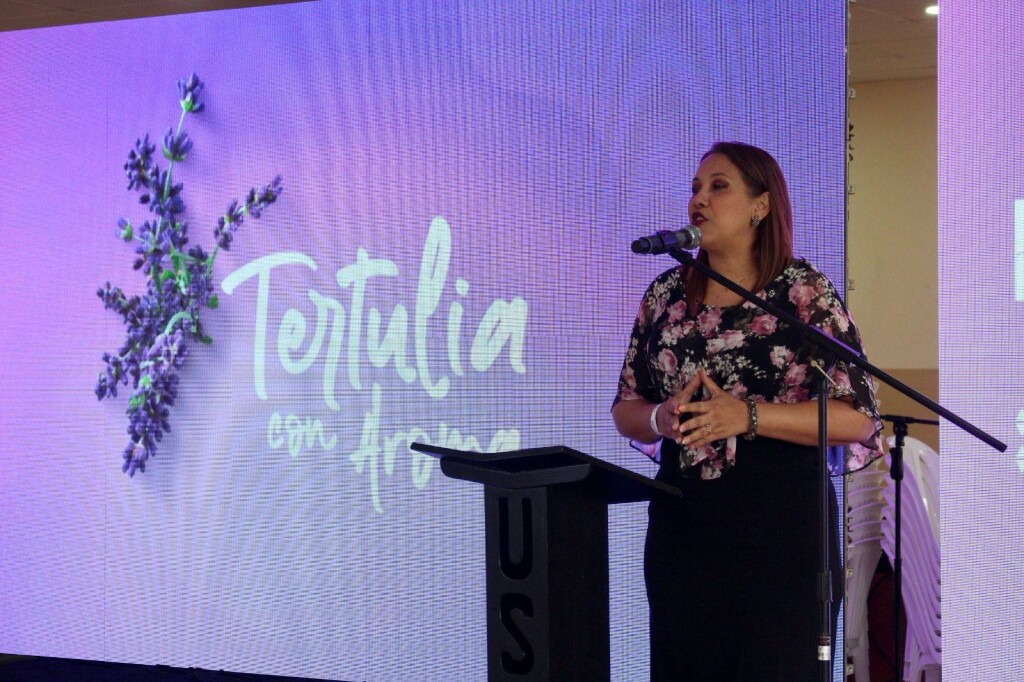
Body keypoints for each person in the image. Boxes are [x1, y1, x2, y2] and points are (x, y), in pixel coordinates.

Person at [612, 142, 883, 681]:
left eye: (718, 187)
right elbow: (626, 408)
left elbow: (856, 418)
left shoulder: (801, 292)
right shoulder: (665, 295)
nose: (699, 200)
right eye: (695, 188)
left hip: (781, 528)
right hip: (684, 525)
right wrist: (662, 418)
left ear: (761, 205)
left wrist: (748, 416)